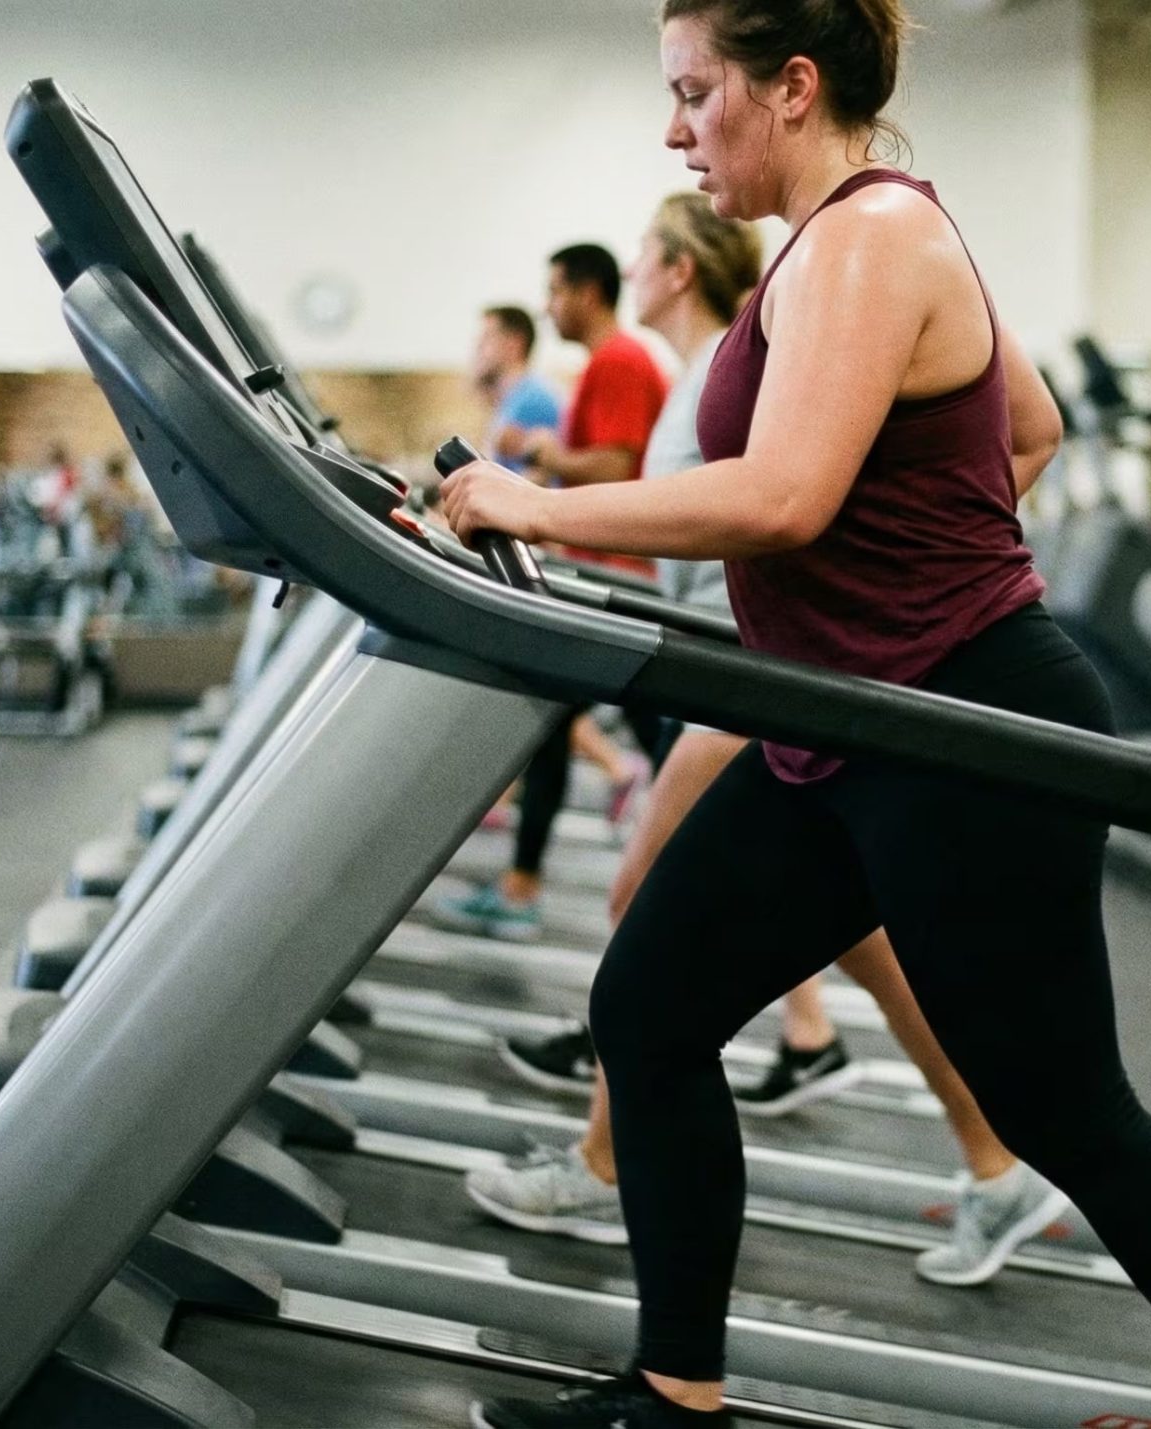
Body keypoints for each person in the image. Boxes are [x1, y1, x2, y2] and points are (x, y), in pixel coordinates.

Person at [442, 2, 1151, 1425]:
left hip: (962, 730)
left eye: (696, 92)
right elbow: (1028, 430)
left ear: (791, 87)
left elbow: (787, 497)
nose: (674, 128)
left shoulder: (871, 238)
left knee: (1065, 1110)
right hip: (857, 724)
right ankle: (675, 1395)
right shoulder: (843, 243)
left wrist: (542, 507)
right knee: (651, 1007)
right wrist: (887, 594)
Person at [466, 193, 1069, 1288]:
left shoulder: (772, 333)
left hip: (764, 678)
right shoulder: (719, 361)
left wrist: (876, 595)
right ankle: (994, 1160)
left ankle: (607, 1172)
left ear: (679, 270)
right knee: (863, 943)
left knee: (642, 913)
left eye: (643, 253)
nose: (628, 267)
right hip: (749, 660)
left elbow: (784, 502)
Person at [435, 246, 670, 943]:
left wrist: (537, 454)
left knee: (652, 737)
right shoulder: (607, 364)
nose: (549, 305)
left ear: (589, 293)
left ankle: (527, 887)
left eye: (558, 291)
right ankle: (521, 885)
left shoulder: (620, 360)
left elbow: (619, 464)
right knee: (553, 724)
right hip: (596, 568)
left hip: (618, 573)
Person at [478, 305, 565, 476]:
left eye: (487, 338)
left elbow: (538, 477)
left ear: (514, 343)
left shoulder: (533, 398)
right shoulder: (514, 397)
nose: (479, 347)